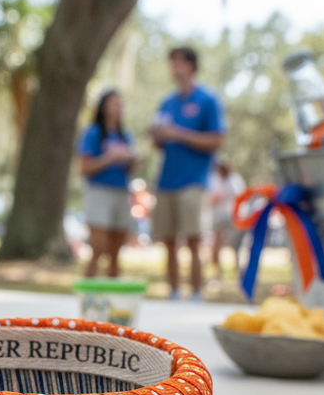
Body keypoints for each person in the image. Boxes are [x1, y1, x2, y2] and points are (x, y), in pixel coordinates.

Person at [149, 46, 225, 300]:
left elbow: (216, 140)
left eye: (179, 63)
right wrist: (158, 137)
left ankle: (196, 293)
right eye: (171, 63)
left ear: (191, 66)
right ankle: (172, 291)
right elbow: (160, 143)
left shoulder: (207, 100)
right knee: (168, 241)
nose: (174, 68)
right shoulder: (167, 103)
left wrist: (178, 133)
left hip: (194, 180)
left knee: (193, 240)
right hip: (166, 181)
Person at [76, 90, 136, 277]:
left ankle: (114, 296)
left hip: (121, 192)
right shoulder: (93, 133)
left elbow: (130, 169)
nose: (118, 107)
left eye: (121, 103)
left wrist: (131, 160)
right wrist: (110, 158)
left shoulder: (125, 136)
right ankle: (88, 294)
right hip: (99, 193)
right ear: (103, 107)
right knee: (99, 248)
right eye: (114, 103)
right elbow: (84, 167)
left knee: (115, 253)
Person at [207, 160, 246, 283]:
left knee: (236, 245)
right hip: (218, 217)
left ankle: (239, 272)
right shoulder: (215, 179)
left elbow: (240, 197)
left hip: (232, 217)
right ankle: (217, 274)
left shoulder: (234, 179)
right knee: (216, 245)